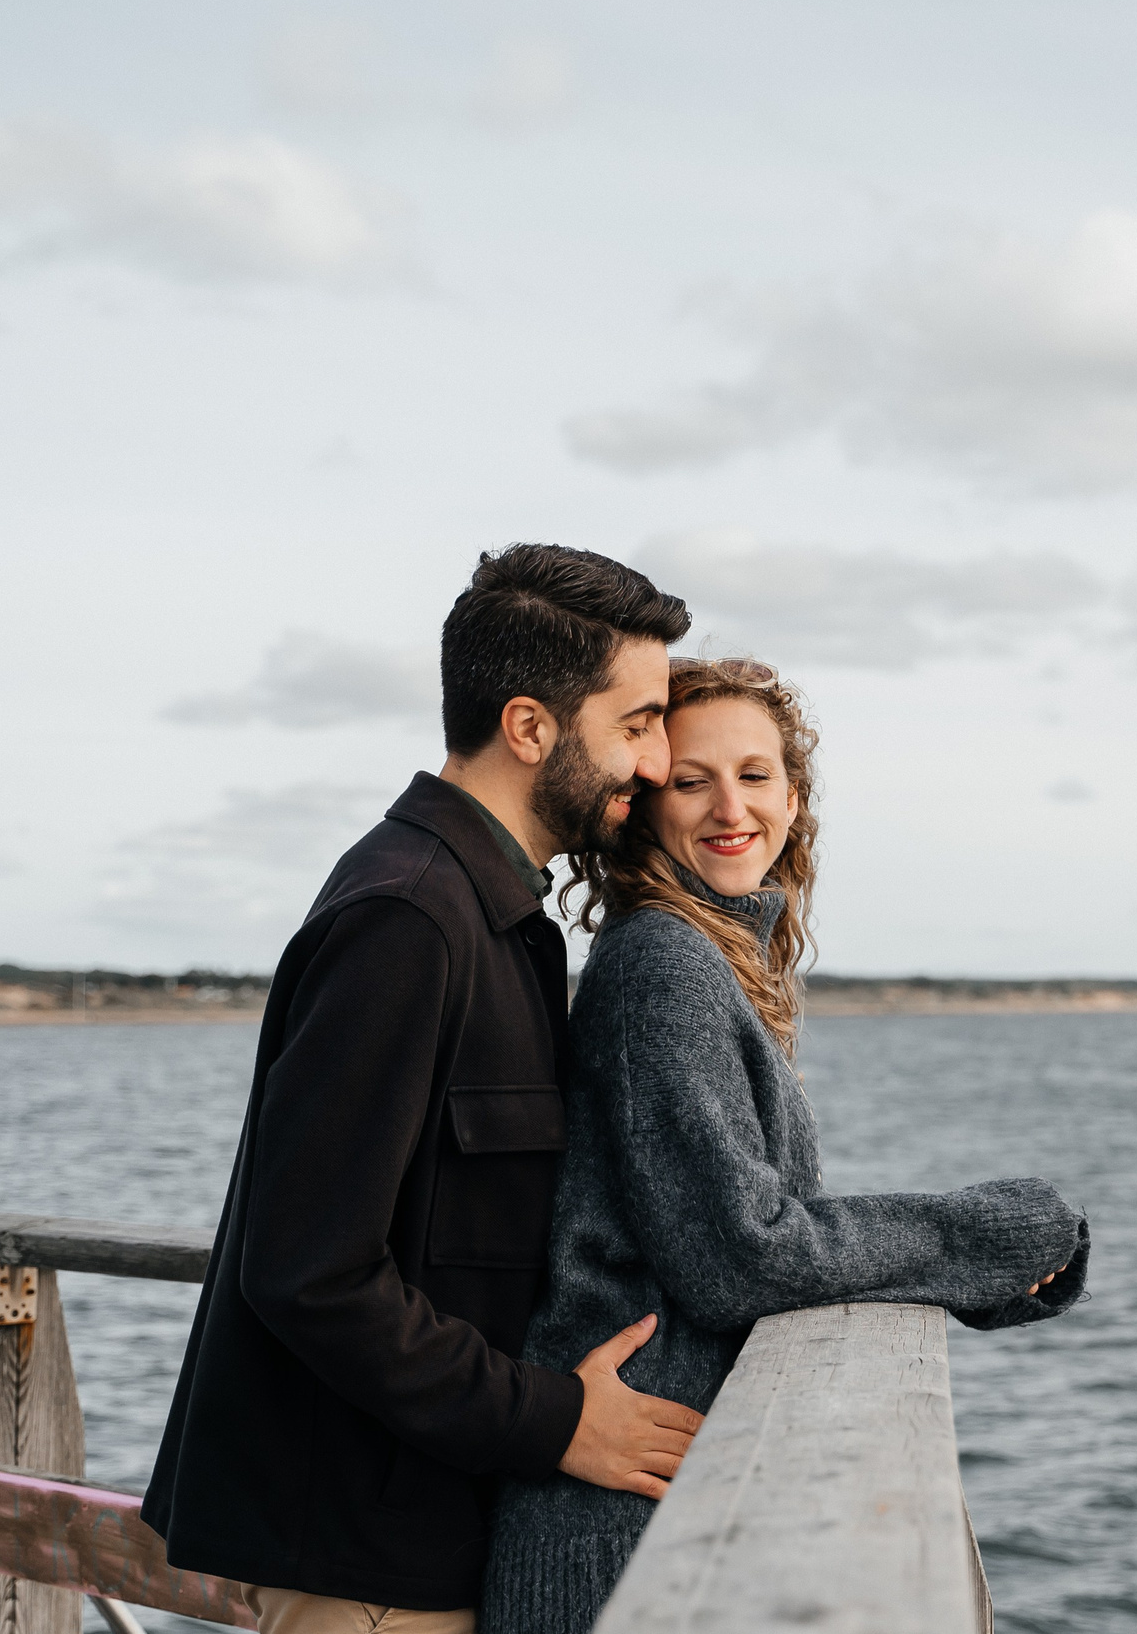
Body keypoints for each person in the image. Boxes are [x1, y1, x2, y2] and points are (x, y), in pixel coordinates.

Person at [143, 545, 712, 1634]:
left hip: (420, 1535)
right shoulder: (407, 917)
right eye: (638, 723)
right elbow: (311, 1272)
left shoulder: (494, 914)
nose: (656, 762)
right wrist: (558, 1420)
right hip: (368, 1565)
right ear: (530, 726)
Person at [478, 656, 1092, 1633]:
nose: (731, 807)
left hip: (665, 1494)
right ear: (645, 804)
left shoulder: (710, 954)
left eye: (755, 774)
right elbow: (740, 1252)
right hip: (613, 1526)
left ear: (793, 796)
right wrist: (992, 1234)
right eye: (692, 780)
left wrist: (975, 1273)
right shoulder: (660, 965)